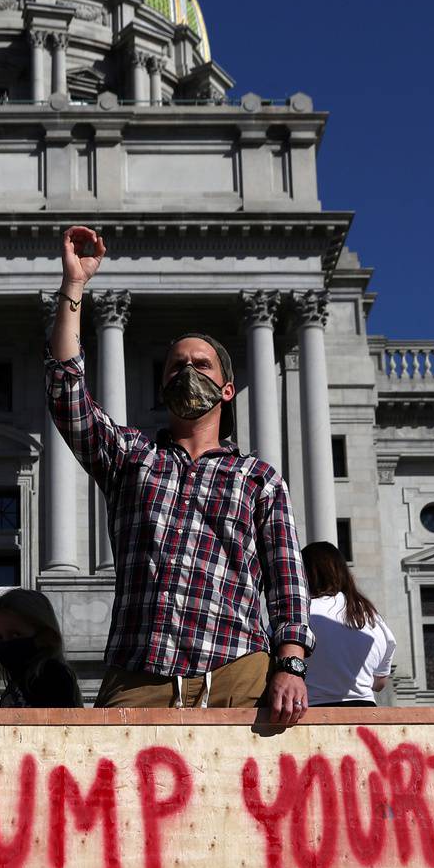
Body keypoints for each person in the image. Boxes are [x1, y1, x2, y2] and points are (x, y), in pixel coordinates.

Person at [46, 226, 312, 720]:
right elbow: (67, 393)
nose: (187, 372)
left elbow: (286, 580)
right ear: (163, 382)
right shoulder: (130, 456)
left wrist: (290, 665)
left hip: (239, 670)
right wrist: (74, 286)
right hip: (141, 672)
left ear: (227, 390)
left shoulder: (258, 478)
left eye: (202, 365)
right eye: (176, 366)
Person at [303, 541, 396, 707]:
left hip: (314, 713)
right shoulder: (370, 615)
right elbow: (380, 682)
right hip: (365, 714)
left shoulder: (300, 613)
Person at [0, 590, 83, 708]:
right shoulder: (17, 684)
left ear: (45, 636)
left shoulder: (52, 676)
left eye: (15, 635)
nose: (6, 644)